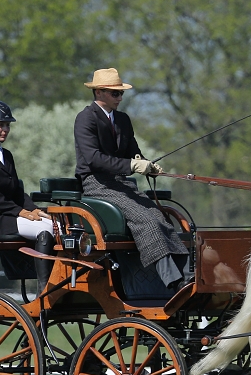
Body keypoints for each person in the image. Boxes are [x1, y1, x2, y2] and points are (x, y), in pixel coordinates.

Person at [74, 68, 189, 291]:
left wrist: (148, 165)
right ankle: (172, 280)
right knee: (146, 221)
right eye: (115, 93)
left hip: (122, 184)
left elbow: (133, 152)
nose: (120, 98)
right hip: (96, 184)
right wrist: (132, 165)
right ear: (99, 92)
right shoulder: (85, 118)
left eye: (121, 93)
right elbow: (94, 159)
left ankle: (186, 274)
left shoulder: (123, 120)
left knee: (159, 217)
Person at [0, 100, 55, 293]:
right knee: (45, 231)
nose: (5, 129)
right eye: (1, 125)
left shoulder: (7, 155)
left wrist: (34, 209)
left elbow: (15, 190)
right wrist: (21, 212)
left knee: (54, 225)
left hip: (9, 214)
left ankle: (57, 283)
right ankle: (44, 288)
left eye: (7, 125)